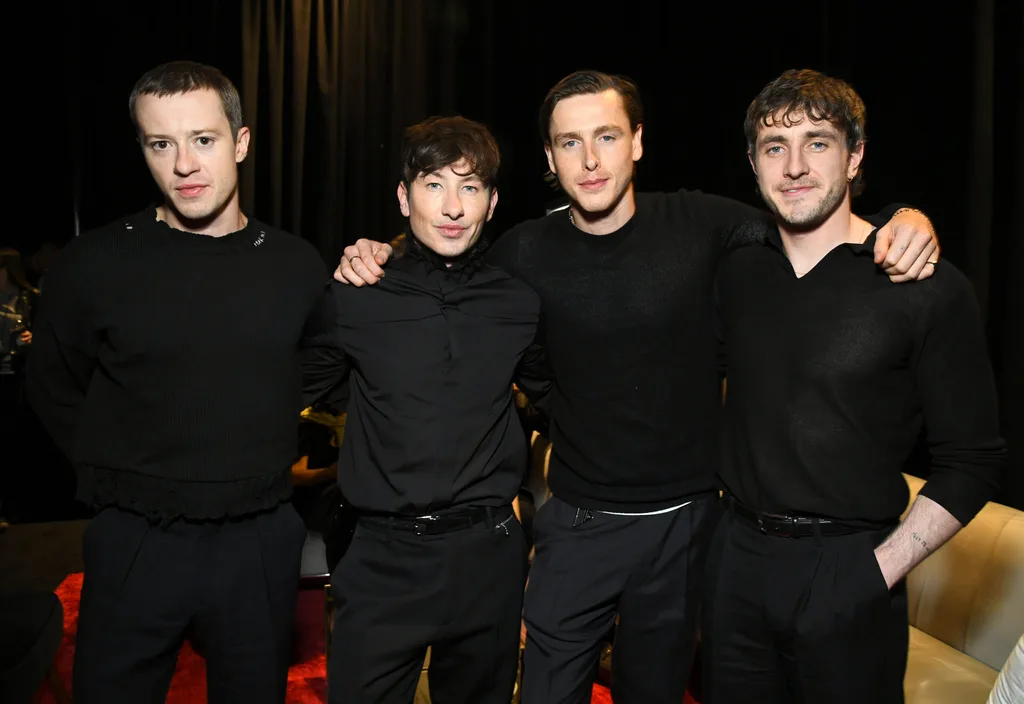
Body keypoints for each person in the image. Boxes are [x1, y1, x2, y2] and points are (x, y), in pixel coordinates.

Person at [331, 70, 940, 704]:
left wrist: (905, 216)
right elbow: (446, 260)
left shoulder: (703, 222)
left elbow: (812, 216)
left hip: (682, 530)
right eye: (570, 143)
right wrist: (381, 251)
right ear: (549, 157)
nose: (590, 160)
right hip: (574, 523)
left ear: (638, 141)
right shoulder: (523, 251)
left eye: (607, 136)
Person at [25, 61, 326, 704]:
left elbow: (323, 371)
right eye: (162, 144)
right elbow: (53, 383)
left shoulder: (296, 265)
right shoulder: (95, 263)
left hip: (259, 539)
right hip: (136, 538)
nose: (184, 163)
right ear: (144, 150)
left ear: (241, 143)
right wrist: (117, 478)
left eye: (204, 140)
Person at [705, 68, 1005, 704]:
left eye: (817, 142)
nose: (794, 166)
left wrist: (876, 573)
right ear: (753, 164)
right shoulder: (736, 271)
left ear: (855, 156)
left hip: (850, 564)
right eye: (773, 147)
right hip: (733, 564)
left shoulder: (924, 285)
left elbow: (973, 462)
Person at [300, 115, 550, 704]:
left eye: (470, 187)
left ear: (492, 203)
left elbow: (562, 401)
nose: (452, 206)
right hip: (383, 558)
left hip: (487, 557)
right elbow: (287, 392)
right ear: (403, 195)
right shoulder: (353, 294)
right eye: (434, 184)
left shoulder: (517, 303)